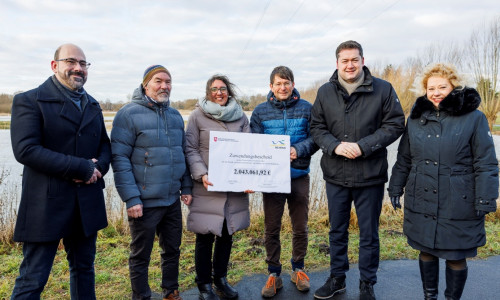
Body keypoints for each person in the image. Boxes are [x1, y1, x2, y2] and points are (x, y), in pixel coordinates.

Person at [388, 63, 498, 300]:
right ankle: (430, 297)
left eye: (442, 87)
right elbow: (405, 157)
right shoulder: (416, 119)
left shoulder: (474, 118)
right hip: (422, 196)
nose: (436, 92)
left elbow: (486, 162)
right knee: (426, 250)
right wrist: (395, 186)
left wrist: (486, 198)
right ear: (425, 90)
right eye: (431, 88)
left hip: (458, 199)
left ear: (453, 87)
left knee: (456, 254)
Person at [10, 43, 111, 299]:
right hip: (47, 203)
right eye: (71, 61)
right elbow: (26, 150)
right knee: (33, 277)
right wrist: (81, 166)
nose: (78, 68)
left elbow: (104, 146)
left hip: (86, 203)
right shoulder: (29, 100)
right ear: (55, 65)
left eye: (83, 64)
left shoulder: (93, 104)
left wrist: (97, 167)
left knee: (84, 270)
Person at [310, 40, 405, 300]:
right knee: (337, 231)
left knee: (369, 233)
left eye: (354, 60)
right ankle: (337, 279)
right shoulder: (325, 92)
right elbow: (316, 127)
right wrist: (335, 146)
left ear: (362, 60)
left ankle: (367, 284)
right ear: (337, 63)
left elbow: (396, 124)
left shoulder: (383, 89)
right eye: (344, 60)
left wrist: (363, 146)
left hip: (370, 175)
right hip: (335, 174)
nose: (349, 65)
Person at [111, 65, 192, 300]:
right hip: (143, 201)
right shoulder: (128, 114)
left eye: (168, 82)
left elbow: (182, 154)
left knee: (172, 250)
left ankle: (171, 291)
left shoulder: (175, 116)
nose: (164, 86)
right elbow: (119, 158)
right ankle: (141, 296)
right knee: (140, 254)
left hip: (171, 199)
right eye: (158, 81)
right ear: (145, 84)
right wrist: (131, 198)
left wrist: (185, 187)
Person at [250, 66, 318, 298]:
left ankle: (298, 269)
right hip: (272, 179)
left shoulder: (307, 108)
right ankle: (274, 273)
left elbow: (316, 138)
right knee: (272, 228)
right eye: (278, 84)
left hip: (299, 175)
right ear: (271, 86)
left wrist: (298, 149)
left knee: (300, 227)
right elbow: (254, 145)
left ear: (293, 84)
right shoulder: (259, 111)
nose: (283, 87)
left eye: (286, 83)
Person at [185, 74, 251, 300]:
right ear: (208, 92)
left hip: (233, 189)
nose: (219, 92)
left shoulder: (241, 117)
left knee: (227, 234)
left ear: (229, 91)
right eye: (214, 89)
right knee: (205, 236)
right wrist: (201, 173)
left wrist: (249, 178)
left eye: (223, 88)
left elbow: (248, 150)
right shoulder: (197, 116)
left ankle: (220, 279)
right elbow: (190, 148)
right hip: (207, 187)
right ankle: (204, 284)